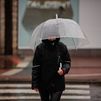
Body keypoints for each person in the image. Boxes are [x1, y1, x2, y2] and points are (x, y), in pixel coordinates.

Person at [32, 37, 71, 101]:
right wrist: (35, 84)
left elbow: (67, 62)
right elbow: (36, 67)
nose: (51, 36)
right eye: (49, 34)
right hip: (43, 82)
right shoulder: (40, 48)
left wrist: (64, 70)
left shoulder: (62, 47)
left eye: (53, 34)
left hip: (58, 82)